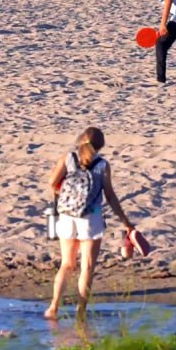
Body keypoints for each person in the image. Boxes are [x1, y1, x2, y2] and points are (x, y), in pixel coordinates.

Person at [44, 127, 135, 320]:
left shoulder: (68, 158)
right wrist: (126, 222)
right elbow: (109, 196)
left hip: (67, 216)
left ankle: (53, 307)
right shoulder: (102, 165)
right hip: (90, 219)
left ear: (80, 139)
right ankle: (81, 311)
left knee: (66, 264)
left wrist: (62, 196)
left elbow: (52, 181)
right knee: (87, 267)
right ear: (100, 146)